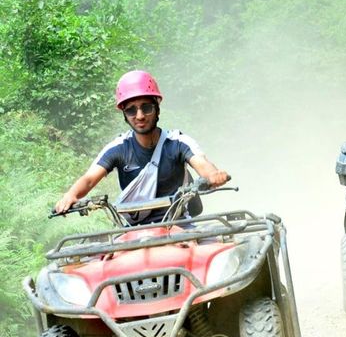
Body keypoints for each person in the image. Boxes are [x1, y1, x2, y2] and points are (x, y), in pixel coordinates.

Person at [54, 70, 229, 223]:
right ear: (124, 114)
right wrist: (71, 195)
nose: (139, 116)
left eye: (146, 108)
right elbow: (89, 179)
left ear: (157, 109)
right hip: (134, 230)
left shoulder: (177, 141)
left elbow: (203, 165)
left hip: (180, 223)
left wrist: (214, 176)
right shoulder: (119, 148)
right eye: (131, 110)